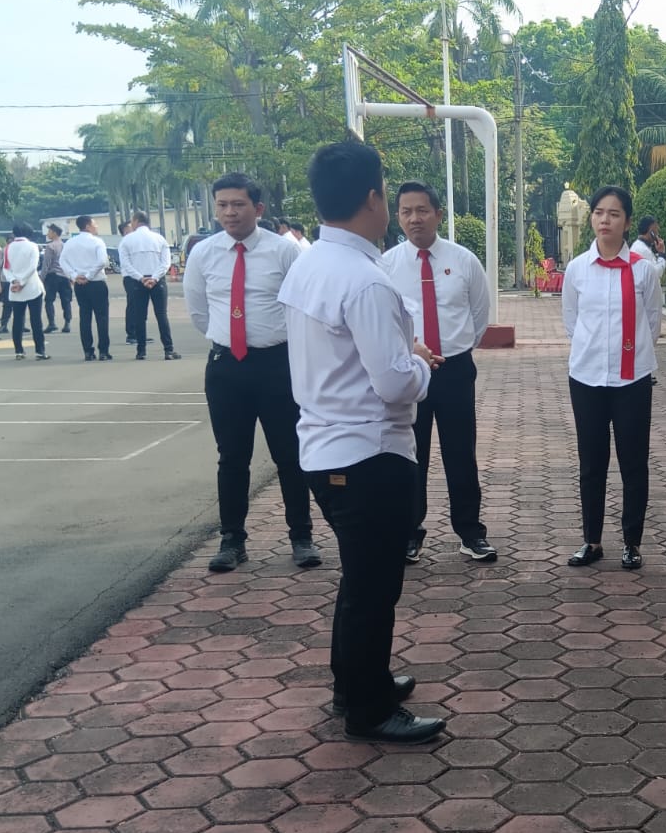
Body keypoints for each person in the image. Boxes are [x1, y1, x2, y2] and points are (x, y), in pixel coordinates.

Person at [280, 141, 444, 745]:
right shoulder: (365, 280)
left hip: (326, 444)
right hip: (368, 450)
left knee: (360, 580)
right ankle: (368, 710)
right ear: (374, 198)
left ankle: (355, 682)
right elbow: (395, 382)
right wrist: (420, 361)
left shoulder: (309, 264)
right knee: (374, 587)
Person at [184, 172, 321, 573]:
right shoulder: (203, 253)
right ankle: (232, 540)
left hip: (277, 366)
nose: (229, 212)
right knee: (231, 457)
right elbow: (199, 311)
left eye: (238, 204)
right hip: (227, 368)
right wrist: (229, 339)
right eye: (222, 204)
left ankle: (301, 537)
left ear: (258, 209)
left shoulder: (285, 252)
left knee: (290, 455)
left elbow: (302, 307)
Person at [379, 182, 497, 564]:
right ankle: (408, 533)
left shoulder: (463, 261)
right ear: (398, 217)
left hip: (454, 370)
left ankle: (470, 532)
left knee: (460, 454)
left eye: (422, 210)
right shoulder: (387, 266)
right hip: (409, 371)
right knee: (411, 455)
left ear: (438, 214)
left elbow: (479, 315)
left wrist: (455, 347)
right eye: (406, 211)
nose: (414, 218)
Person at [562, 185, 664, 571]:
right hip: (587, 378)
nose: (605, 220)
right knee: (591, 463)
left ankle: (632, 542)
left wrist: (629, 354)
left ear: (627, 221)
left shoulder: (643, 269)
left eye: (614, 214)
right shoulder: (577, 269)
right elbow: (572, 321)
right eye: (599, 212)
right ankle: (592, 540)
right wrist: (594, 352)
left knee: (633, 463)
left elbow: (652, 322)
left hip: (632, 379)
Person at [118, 211, 181, 361]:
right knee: (161, 315)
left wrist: (141, 278)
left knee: (140, 316)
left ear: (136, 221)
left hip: (137, 282)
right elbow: (166, 263)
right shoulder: (159, 238)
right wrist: (154, 278)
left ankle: (141, 351)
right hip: (157, 281)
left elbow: (126, 264)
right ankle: (168, 349)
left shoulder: (127, 240)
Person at [60, 215, 111, 360]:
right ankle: (103, 351)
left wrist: (74, 275)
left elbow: (62, 261)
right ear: (88, 226)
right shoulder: (97, 241)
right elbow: (102, 261)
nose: (97, 226)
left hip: (80, 284)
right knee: (102, 317)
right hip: (96, 282)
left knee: (85, 317)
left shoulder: (70, 242)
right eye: (95, 224)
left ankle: (88, 351)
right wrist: (89, 275)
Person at [2, 223, 49, 361]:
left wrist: (14, 281)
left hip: (15, 288)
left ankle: (19, 350)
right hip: (31, 287)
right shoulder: (32, 246)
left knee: (17, 320)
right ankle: (40, 351)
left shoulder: (8, 247)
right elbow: (33, 267)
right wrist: (22, 282)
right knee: (36, 320)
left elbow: (5, 268)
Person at [41, 224, 72, 334]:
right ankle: (67, 323)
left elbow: (46, 264)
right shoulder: (65, 246)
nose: (47, 234)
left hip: (52, 276)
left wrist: (42, 278)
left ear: (54, 233)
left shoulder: (50, 246)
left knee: (49, 300)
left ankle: (52, 323)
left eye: (49, 232)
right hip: (64, 275)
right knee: (66, 300)